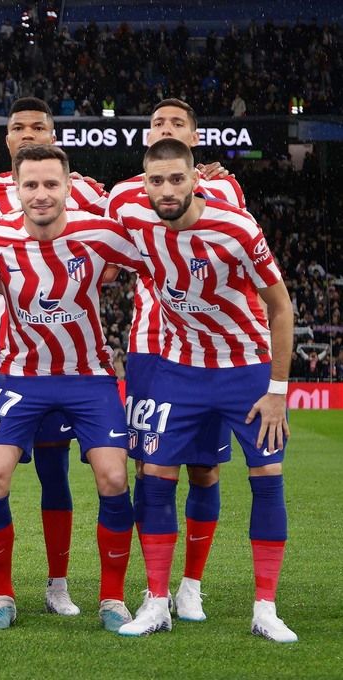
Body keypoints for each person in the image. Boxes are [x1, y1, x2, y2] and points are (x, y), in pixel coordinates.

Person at [115, 138, 296, 643]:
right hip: (178, 369)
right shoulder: (134, 220)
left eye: (177, 179)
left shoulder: (236, 228)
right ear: (144, 184)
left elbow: (281, 307)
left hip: (246, 370)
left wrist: (277, 390)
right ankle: (157, 601)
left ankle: (265, 609)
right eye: (157, 180)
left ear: (196, 179)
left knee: (267, 478)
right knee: (155, 477)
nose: (167, 190)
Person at [0, 145, 141, 632]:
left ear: (68, 186)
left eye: (50, 184)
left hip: (89, 376)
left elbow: (155, 257)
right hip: (20, 376)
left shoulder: (99, 233)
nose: (40, 194)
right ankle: (2, 594)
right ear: (16, 188)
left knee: (114, 479)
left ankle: (112, 598)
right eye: (31, 185)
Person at [0, 97, 109, 614]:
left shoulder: (84, 191)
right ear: (7, 137)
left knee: (55, 471)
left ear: (54, 137)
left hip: (60, 353)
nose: (29, 134)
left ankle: (58, 584)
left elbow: (131, 230)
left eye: (39, 127)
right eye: (19, 127)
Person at [105, 98, 246, 622]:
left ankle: (191, 585)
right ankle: (156, 589)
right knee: (151, 467)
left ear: (195, 136)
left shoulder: (225, 190)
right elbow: (105, 258)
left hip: (209, 351)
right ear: (148, 138)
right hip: (150, 346)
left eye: (177, 123)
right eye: (158, 123)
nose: (166, 127)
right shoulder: (123, 195)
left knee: (205, 468)